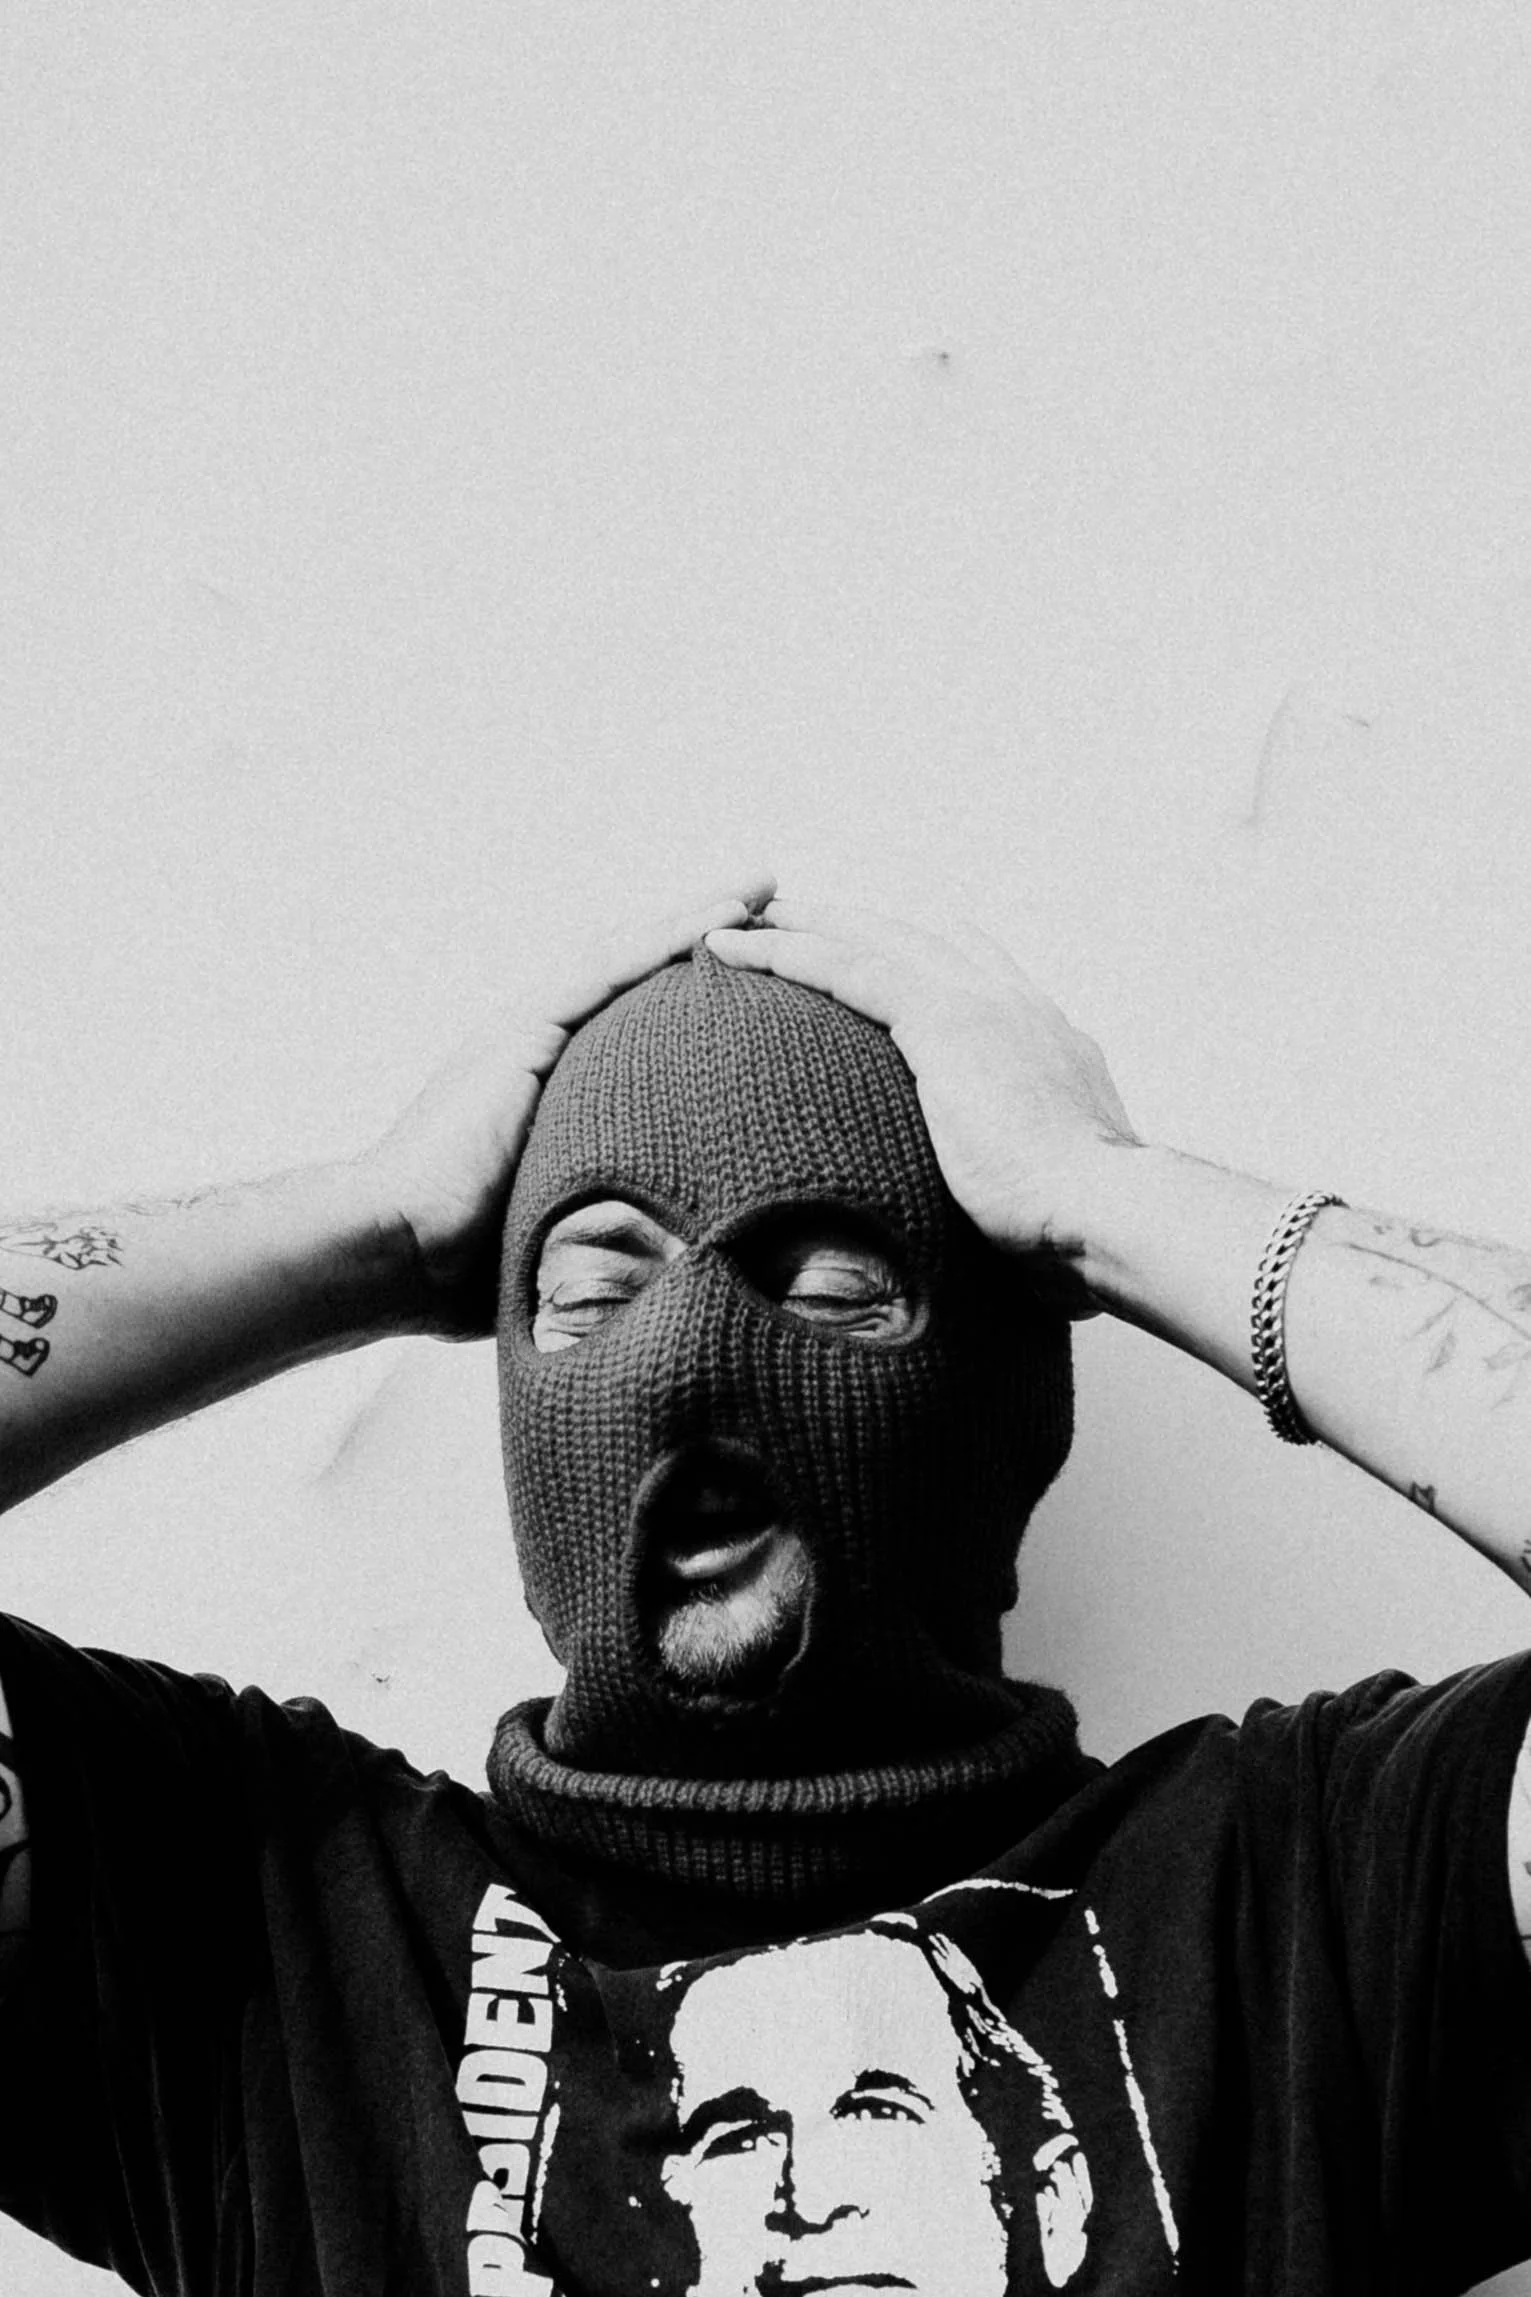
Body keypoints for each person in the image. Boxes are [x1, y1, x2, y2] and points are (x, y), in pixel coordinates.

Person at [2, 872, 1531, 2295]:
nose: (689, 1363)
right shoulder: (260, 1945)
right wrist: (375, 1225)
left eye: (831, 1287)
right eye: (594, 1290)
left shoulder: (1311, 1913)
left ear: (1001, 1409)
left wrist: (1096, 1194)